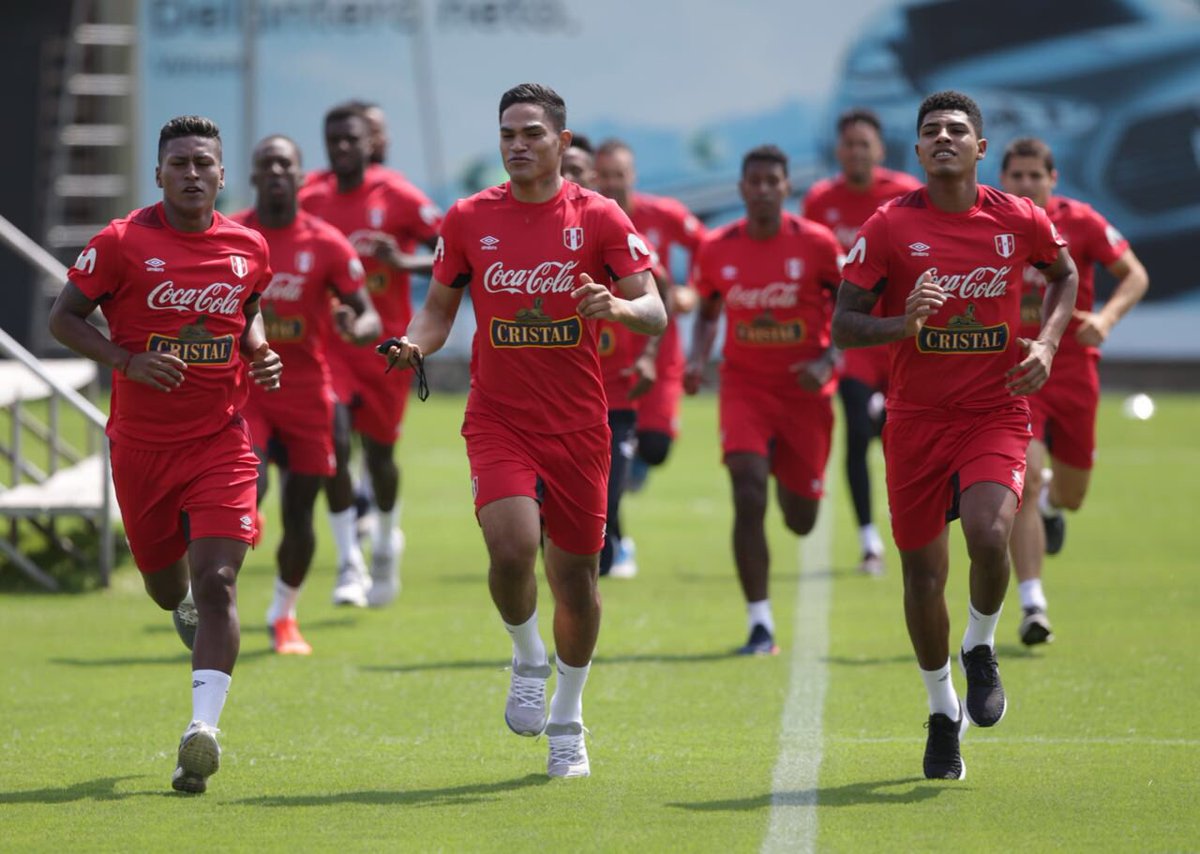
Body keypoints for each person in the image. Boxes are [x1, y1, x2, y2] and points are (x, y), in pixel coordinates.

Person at [382, 83, 665, 777]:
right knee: (511, 549)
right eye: (508, 132)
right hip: (498, 418)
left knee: (576, 582)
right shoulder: (468, 218)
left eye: (532, 133)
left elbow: (654, 309)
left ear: (563, 144)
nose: (517, 144)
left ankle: (568, 718)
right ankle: (527, 653)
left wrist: (616, 310)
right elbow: (438, 312)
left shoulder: (598, 216)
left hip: (578, 426)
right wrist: (414, 344)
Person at [833, 91, 1079, 780]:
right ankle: (943, 712)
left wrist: (1049, 343)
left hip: (993, 411)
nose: (944, 137)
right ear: (916, 151)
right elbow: (843, 324)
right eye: (931, 130)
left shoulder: (1018, 218)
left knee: (990, 533)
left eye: (957, 130)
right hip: (913, 422)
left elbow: (1064, 275)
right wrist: (901, 324)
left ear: (980, 147)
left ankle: (981, 644)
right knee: (921, 576)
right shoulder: (887, 227)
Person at [48, 115, 282, 793]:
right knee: (167, 588)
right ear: (158, 174)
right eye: (178, 163)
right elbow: (62, 318)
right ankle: (175, 600)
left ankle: (201, 733)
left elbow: (249, 307)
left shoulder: (247, 246)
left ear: (220, 174)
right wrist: (126, 359)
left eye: (203, 163)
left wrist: (259, 351)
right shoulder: (121, 242)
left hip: (222, 439)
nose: (191, 174)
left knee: (219, 583)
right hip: (143, 448)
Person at [685, 144, 843, 656]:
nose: (762, 190)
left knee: (800, 519)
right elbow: (708, 309)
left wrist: (830, 359)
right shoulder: (717, 247)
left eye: (772, 181)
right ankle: (760, 624)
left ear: (786, 187)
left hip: (804, 393)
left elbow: (854, 303)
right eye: (753, 181)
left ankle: (792, 473)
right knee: (747, 490)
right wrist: (696, 358)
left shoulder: (817, 245)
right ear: (741, 189)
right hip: (745, 388)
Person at [231, 135, 381, 654]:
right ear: (252, 176)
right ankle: (245, 517)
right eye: (265, 164)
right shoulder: (231, 236)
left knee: (301, 513)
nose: (275, 171)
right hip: (245, 386)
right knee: (246, 486)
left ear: (300, 177)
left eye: (284, 164)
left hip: (307, 393)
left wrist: (358, 328)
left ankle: (283, 615)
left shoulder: (326, 241)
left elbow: (368, 313)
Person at [999, 137, 1149, 645]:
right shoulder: (990, 223)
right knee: (1028, 478)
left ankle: (1053, 512)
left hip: (1075, 375)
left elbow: (1135, 275)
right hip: (1018, 373)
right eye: (1015, 176)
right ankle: (1033, 605)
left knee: (1071, 494)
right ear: (1003, 179)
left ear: (1052, 178)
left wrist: (1105, 318)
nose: (1024, 185)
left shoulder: (1081, 221)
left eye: (1033, 176)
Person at [299, 101, 441, 608]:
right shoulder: (309, 197)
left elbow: (451, 254)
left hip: (387, 349)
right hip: (328, 348)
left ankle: (384, 539)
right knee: (333, 442)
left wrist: (401, 260)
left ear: (370, 144)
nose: (341, 147)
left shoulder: (396, 195)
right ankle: (349, 563)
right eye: (332, 138)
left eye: (351, 139)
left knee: (380, 458)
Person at [802, 109, 923, 576]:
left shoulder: (901, 197)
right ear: (838, 150)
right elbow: (817, 274)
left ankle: (912, 524)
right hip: (852, 339)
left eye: (864, 144)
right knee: (856, 427)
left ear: (879, 149)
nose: (856, 152)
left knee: (901, 433)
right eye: (848, 144)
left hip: (898, 336)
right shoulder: (820, 200)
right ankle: (869, 539)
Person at [564, 135, 668, 579]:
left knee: (608, 492)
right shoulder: (524, 230)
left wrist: (647, 354)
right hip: (560, 392)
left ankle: (611, 548)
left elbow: (654, 300)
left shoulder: (610, 227)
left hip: (618, 388)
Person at [594, 139, 705, 500]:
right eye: (605, 175)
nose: (612, 182)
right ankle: (616, 536)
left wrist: (694, 289)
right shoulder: (590, 219)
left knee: (655, 446)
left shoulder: (663, 214)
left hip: (658, 349)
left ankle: (632, 472)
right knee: (602, 453)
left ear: (633, 175)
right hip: (605, 353)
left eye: (619, 174)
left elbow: (708, 248)